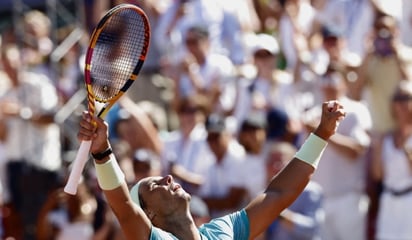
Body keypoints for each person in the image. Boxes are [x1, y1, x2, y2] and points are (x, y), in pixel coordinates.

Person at [75, 99, 345, 239]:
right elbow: (123, 206)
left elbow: (278, 194)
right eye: (153, 185)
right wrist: (102, 152)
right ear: (150, 214)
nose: (167, 178)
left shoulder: (222, 232)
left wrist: (321, 133)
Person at [371, 80, 412, 239]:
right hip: (389, 201)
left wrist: (407, 152)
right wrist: (376, 149)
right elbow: (377, 175)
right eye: (397, 98)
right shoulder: (385, 138)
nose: (401, 103)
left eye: (406, 98)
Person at [265, 141, 324, 240]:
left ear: (293, 165)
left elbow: (312, 228)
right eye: (271, 162)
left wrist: (280, 213)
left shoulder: (310, 191)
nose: (275, 166)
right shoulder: (264, 194)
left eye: (280, 162)